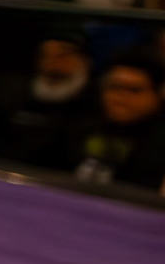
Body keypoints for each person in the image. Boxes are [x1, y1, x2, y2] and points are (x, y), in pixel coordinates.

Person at [69, 48, 165, 192]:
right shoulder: (77, 128)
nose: (120, 97)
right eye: (114, 87)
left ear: (158, 95)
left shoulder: (160, 145)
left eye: (134, 90)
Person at [0, 28, 96, 169]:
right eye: (46, 54)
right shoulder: (11, 92)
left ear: (83, 60)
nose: (52, 61)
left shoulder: (92, 104)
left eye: (62, 55)